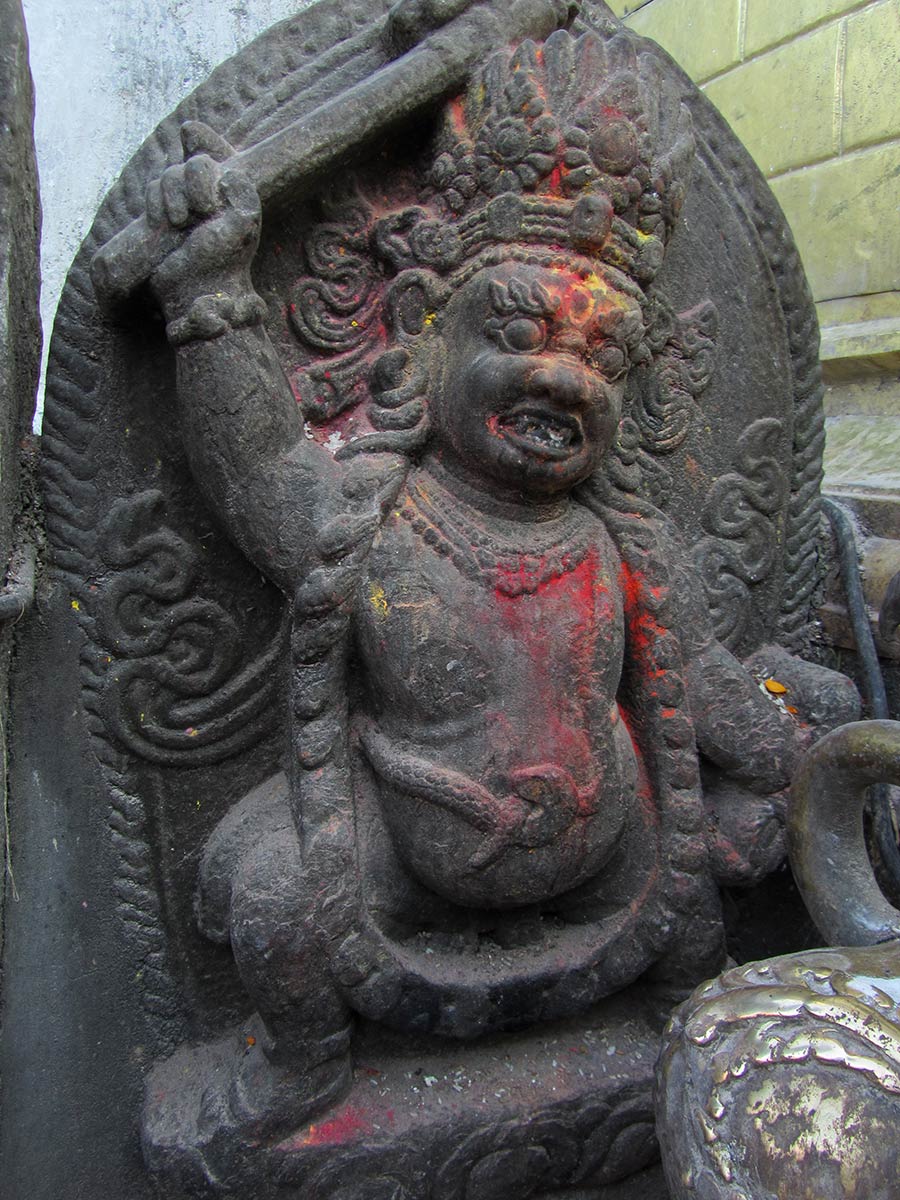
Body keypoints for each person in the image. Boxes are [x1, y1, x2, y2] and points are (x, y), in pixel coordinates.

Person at [140, 29, 854, 1163]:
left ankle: (679, 1010)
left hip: (613, 846)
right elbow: (262, 475)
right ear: (428, 333)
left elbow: (697, 679)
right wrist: (212, 294)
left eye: (604, 358)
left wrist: (789, 742)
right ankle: (305, 1064)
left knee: (740, 835)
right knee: (269, 892)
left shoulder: (620, 543)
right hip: (402, 848)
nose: (564, 375)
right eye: (520, 332)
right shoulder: (382, 521)